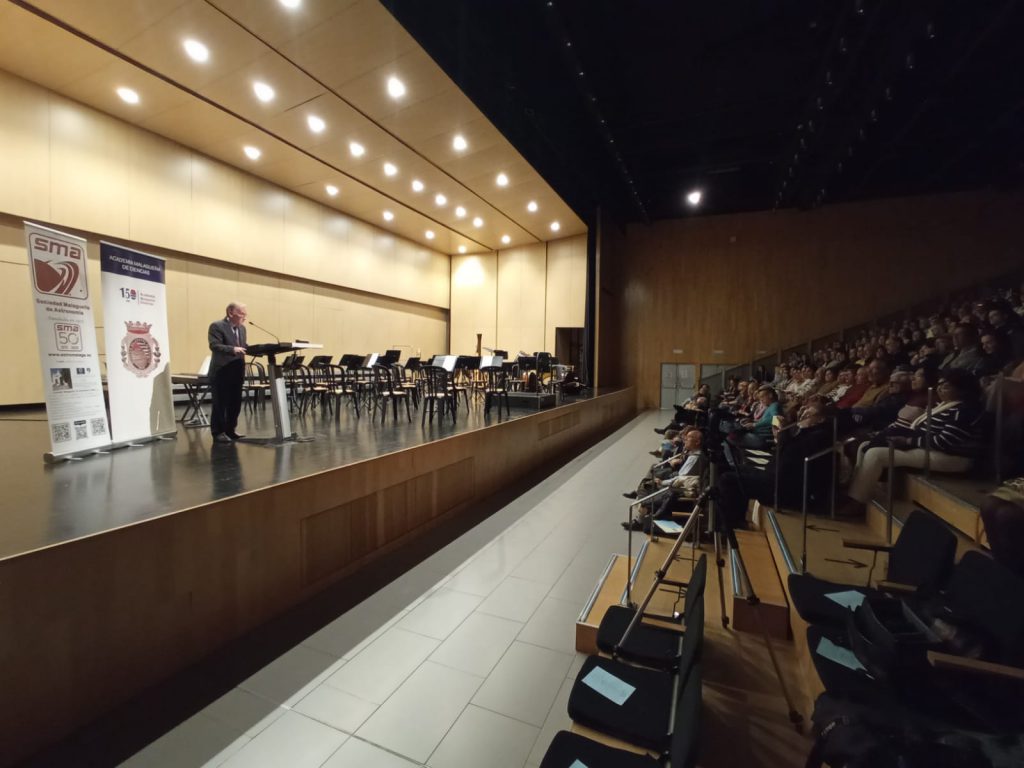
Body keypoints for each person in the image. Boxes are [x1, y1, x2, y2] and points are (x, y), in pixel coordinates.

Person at [842, 369, 983, 513]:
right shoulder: (946, 406)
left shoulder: (964, 411)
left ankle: (857, 502)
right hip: (930, 448)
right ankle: (855, 492)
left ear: (962, 389)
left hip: (952, 456)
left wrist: (908, 441)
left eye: (945, 386)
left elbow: (943, 441)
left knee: (876, 454)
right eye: (939, 385)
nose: (939, 389)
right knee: (865, 445)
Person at [716, 398, 834, 531]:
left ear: (821, 419)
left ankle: (728, 526)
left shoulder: (820, 437)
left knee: (728, 479)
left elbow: (791, 456)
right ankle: (729, 519)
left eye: (809, 414)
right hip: (774, 476)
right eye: (803, 411)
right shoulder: (806, 432)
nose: (803, 415)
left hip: (784, 488)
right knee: (728, 469)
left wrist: (782, 435)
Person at [208, 302, 248, 442]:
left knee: (235, 403)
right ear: (230, 313)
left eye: (245, 314)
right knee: (220, 404)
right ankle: (218, 432)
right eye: (242, 314)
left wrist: (256, 349)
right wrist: (232, 349)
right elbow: (214, 345)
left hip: (237, 371)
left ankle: (231, 430)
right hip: (222, 371)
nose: (245, 317)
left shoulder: (242, 329)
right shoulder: (217, 326)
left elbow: (243, 346)